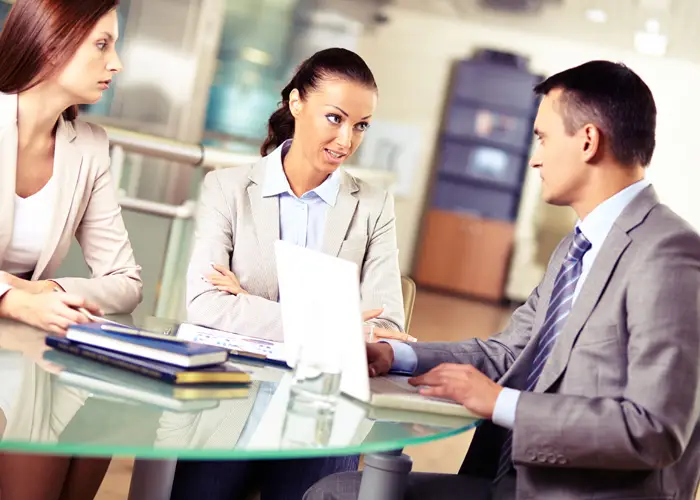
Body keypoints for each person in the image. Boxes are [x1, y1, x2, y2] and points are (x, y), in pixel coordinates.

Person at [305, 60, 700, 500]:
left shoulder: (669, 253)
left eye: (543, 138)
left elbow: (656, 430)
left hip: (574, 491)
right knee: (337, 489)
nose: (535, 158)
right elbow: (509, 351)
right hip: (514, 477)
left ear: (588, 141)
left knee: (335, 493)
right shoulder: (578, 245)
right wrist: (394, 354)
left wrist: (500, 402)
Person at [174, 48, 410, 500]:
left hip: (323, 412)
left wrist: (245, 302)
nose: (347, 140)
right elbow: (205, 305)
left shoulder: (374, 205)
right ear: (297, 103)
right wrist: (337, 325)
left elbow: (387, 328)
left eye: (360, 125)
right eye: (335, 118)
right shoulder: (227, 188)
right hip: (229, 399)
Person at [0, 0, 142, 498]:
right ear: (50, 42)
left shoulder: (89, 147)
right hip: (14, 333)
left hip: (27, 343)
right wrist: (12, 297)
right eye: (102, 44)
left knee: (109, 405)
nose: (117, 62)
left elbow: (126, 282)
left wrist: (45, 291)